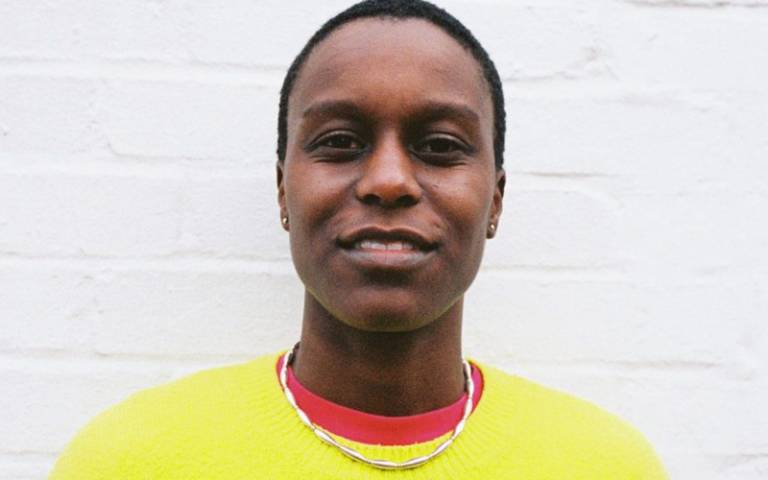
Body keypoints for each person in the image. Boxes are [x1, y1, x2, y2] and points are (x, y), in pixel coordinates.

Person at [50, 0, 668, 478]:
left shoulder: (606, 467)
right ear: (284, 191)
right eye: (340, 143)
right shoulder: (128, 462)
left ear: (495, 201)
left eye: (440, 147)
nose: (389, 181)